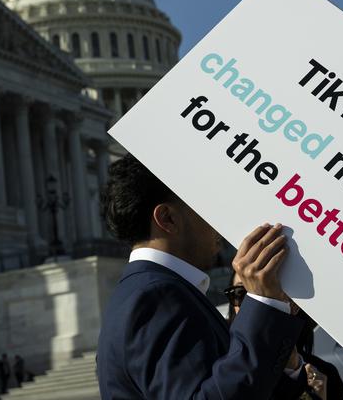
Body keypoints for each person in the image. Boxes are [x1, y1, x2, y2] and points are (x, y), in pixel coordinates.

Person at [97, 154, 305, 399]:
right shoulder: (155, 296)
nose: (219, 222)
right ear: (168, 218)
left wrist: (288, 363)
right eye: (206, 206)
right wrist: (263, 303)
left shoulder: (152, 290)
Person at [226, 272, 343, 400]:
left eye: (265, 293)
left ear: (293, 305)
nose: (254, 305)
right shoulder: (219, 368)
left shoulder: (324, 374)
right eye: (241, 294)